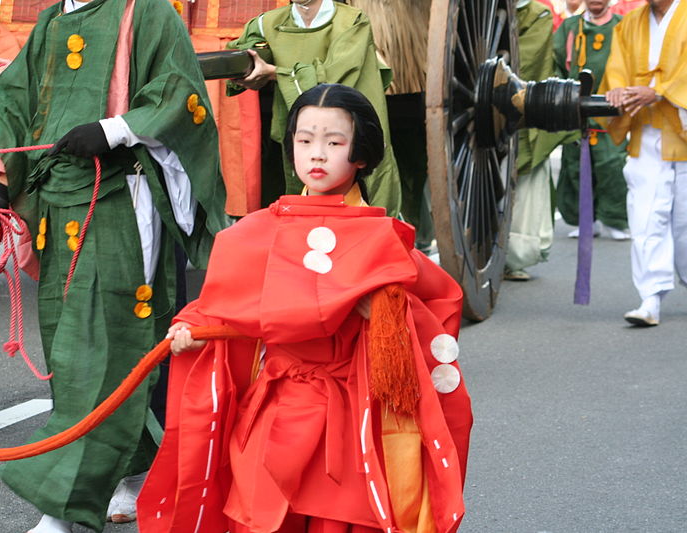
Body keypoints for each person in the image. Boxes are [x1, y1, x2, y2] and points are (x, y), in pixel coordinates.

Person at [135, 83, 473, 533]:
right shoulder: (256, 231)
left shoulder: (384, 238)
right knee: (260, 511)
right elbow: (224, 302)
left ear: (362, 155)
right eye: (304, 140)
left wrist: (391, 309)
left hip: (351, 410)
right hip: (276, 402)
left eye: (334, 142)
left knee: (338, 517)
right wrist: (194, 326)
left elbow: (439, 300)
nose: (317, 154)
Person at [0, 0, 227, 531]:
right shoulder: (53, 22)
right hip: (55, 199)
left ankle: (65, 507)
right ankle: (133, 469)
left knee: (105, 346)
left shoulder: (148, 12)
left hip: (118, 196)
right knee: (70, 346)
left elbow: (180, 91)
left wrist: (115, 129)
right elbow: (13, 104)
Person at [225, 0, 403, 218]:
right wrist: (249, 66)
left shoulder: (352, 21)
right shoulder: (268, 23)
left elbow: (332, 80)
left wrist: (274, 73)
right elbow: (241, 54)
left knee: (369, 201)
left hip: (346, 126)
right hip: (302, 127)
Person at [601, 0, 687, 326]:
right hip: (647, 131)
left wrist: (661, 91)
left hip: (683, 127)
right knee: (645, 216)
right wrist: (619, 92)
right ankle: (650, 299)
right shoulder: (629, 24)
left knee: (684, 226)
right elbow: (617, 69)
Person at [554, 0, 631, 240]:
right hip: (574, 106)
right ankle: (584, 219)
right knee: (575, 164)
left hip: (610, 107)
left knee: (612, 164)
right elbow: (556, 64)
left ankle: (614, 219)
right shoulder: (569, 27)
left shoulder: (622, 25)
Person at [504, 0, 564, 281]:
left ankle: (517, 254)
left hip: (524, 108)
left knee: (525, 181)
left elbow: (524, 66)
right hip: (479, 106)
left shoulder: (536, 13)